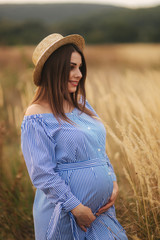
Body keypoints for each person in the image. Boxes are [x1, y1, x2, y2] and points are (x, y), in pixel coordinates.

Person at [21, 33, 128, 240]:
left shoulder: (82, 104)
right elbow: (42, 173)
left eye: (80, 67)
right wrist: (76, 208)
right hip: (64, 214)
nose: (79, 74)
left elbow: (99, 149)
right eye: (71, 67)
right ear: (53, 69)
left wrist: (113, 181)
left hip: (101, 213)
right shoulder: (36, 115)